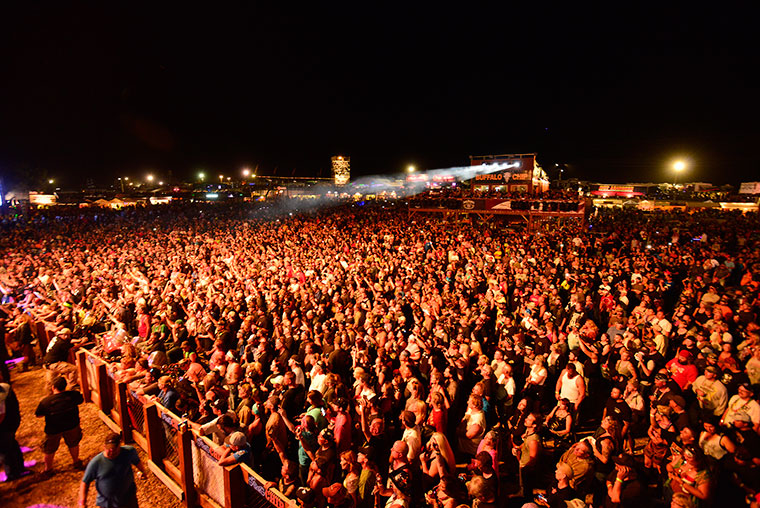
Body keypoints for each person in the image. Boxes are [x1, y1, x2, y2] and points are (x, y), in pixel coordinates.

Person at [79, 432, 147, 508]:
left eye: (114, 449)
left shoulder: (129, 452)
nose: (111, 452)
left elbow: (137, 462)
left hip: (128, 499)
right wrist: (82, 503)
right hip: (107, 504)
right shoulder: (96, 463)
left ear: (119, 446)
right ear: (104, 447)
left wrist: (143, 471)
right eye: (109, 449)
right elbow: (85, 482)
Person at [35, 375, 85, 474]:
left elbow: (39, 415)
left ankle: (48, 469)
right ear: (65, 386)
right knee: (73, 444)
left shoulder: (46, 402)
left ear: (53, 387)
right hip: (72, 425)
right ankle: (76, 461)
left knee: (50, 449)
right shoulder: (73, 395)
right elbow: (81, 400)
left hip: (53, 429)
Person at [0, 381, 29, 480]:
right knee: (12, 445)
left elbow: (1, 415)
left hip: (5, 427)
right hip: (12, 423)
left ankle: (12, 474)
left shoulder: (1, 395)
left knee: (4, 450)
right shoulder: (5, 387)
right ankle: (20, 468)